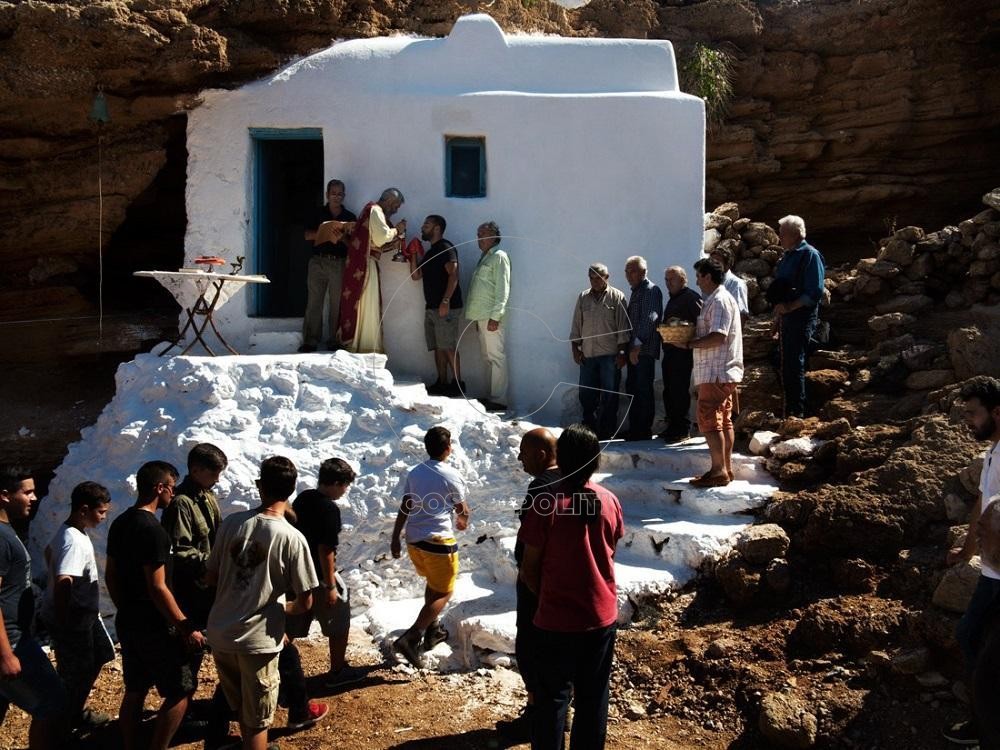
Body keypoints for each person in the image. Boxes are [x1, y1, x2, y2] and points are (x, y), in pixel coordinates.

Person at [518, 424, 624, 750]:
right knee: (593, 696)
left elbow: (529, 567)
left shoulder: (545, 503)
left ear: (560, 458)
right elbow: (610, 551)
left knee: (551, 699)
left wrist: (545, 599)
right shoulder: (609, 500)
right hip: (600, 615)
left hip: (556, 619)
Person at [205, 456, 320, 750]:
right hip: (257, 641)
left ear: (259, 485)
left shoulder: (231, 523)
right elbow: (305, 600)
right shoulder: (292, 537)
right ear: (292, 490)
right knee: (257, 718)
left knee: (241, 706)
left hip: (221, 632)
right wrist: (281, 609)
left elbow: (211, 576)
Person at [105, 461, 207, 750]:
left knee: (135, 688)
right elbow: (158, 586)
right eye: (171, 488)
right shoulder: (154, 531)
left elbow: (111, 575)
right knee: (181, 690)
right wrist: (184, 625)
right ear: (160, 488)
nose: (173, 494)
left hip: (130, 620)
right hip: (156, 624)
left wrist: (125, 607)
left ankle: (130, 745)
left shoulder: (120, 523)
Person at [159, 442, 229, 743]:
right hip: (190, 594)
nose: (217, 479)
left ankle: (186, 710)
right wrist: (211, 564)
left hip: (207, 591)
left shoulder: (207, 497)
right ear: (197, 470)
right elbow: (180, 551)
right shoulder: (181, 504)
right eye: (213, 473)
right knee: (186, 660)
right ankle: (179, 717)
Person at [943, 376, 1000, 747]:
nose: (968, 422)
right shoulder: (993, 452)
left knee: (980, 643)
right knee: (973, 636)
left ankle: (986, 726)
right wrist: (967, 550)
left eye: (973, 414)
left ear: (997, 412)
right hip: (991, 571)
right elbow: (983, 500)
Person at [0, 466, 69, 749]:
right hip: (12, 641)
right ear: (5, 495)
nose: (34, 498)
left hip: (15, 637)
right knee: (53, 704)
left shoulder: (7, 531)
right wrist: (5, 654)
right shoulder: (0, 537)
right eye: (27, 492)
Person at [499, 428, 561, 741]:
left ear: (540, 454)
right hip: (560, 576)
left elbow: (532, 538)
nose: (519, 459)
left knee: (530, 649)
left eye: (523, 453)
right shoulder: (571, 479)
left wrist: (528, 578)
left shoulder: (541, 486)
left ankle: (536, 716)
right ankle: (553, 713)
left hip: (536, 579)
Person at [390, 427, 470, 667]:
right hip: (439, 542)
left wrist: (395, 537)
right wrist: (463, 520)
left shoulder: (415, 473)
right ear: (448, 448)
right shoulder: (451, 475)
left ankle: (432, 630)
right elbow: (462, 509)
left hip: (414, 540)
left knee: (434, 584)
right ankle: (411, 637)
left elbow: (406, 505)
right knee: (445, 592)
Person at [40, 481, 114, 732]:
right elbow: (64, 581)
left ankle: (74, 710)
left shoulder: (72, 532)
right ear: (84, 510)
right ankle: (64, 723)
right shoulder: (72, 540)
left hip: (84, 616)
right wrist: (65, 620)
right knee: (75, 674)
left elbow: (48, 552)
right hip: (72, 619)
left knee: (101, 654)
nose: (103, 517)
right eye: (100, 512)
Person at [290, 457, 366, 688]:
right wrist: (331, 585)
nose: (345, 491)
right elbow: (326, 550)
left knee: (289, 625)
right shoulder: (329, 508)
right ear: (335, 483)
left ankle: (276, 671)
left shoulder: (303, 498)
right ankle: (337, 671)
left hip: (296, 572)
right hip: (319, 574)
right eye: (344, 485)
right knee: (340, 621)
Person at [680, 258, 742, 488]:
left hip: (716, 370)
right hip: (721, 371)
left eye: (699, 276)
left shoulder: (718, 300)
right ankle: (725, 468)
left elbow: (718, 336)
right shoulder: (718, 299)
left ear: (708, 276)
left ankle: (718, 471)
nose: (697, 281)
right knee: (723, 420)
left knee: (708, 418)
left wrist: (689, 343)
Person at [338, 187, 407, 354]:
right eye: (396, 206)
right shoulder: (375, 210)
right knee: (368, 305)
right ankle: (366, 347)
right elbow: (381, 238)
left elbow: (375, 243)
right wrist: (397, 230)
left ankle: (360, 344)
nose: (396, 210)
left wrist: (395, 241)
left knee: (363, 305)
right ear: (389, 201)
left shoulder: (369, 210)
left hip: (362, 263)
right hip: (366, 267)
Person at [771, 215, 825, 417]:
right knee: (783, 362)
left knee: (794, 363)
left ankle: (797, 412)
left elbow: (814, 291)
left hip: (801, 317)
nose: (779, 237)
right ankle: (789, 409)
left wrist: (790, 307)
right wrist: (778, 317)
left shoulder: (810, 255)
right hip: (786, 318)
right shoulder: (787, 257)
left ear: (795, 234)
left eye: (782, 234)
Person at [569, 263, 630, 440]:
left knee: (610, 395)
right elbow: (576, 325)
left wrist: (622, 353)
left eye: (599, 277)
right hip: (588, 355)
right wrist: (575, 349)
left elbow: (623, 328)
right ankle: (588, 431)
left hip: (610, 356)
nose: (595, 281)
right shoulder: (583, 297)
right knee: (586, 394)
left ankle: (607, 431)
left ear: (607, 277)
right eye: (592, 278)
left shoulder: (617, 297)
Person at [408, 214, 465, 397]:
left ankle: (457, 385)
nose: (422, 227)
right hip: (431, 307)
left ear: (437, 228)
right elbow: (416, 276)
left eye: (427, 225)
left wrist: (445, 301)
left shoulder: (445, 248)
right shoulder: (430, 252)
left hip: (446, 307)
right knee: (438, 346)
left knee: (448, 345)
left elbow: (454, 274)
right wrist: (413, 253)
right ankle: (442, 382)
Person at [300, 179, 358, 352]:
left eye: (340, 194)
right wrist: (325, 232)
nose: (336, 197)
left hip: (338, 263)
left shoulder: (350, 217)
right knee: (314, 301)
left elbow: (354, 245)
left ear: (344, 196)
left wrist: (342, 237)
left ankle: (334, 340)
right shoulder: (317, 213)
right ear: (327, 195)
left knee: (337, 303)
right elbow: (306, 235)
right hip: (317, 261)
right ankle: (310, 340)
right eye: (333, 193)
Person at [465, 221, 511, 412]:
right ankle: (492, 396)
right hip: (482, 316)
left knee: (496, 356)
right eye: (478, 234)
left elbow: (503, 289)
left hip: (492, 317)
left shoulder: (499, 256)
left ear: (493, 236)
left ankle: (499, 399)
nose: (479, 238)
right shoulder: (485, 257)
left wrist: (495, 316)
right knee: (488, 356)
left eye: (482, 234)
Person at [659, 266, 702, 443]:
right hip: (670, 351)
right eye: (666, 280)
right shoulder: (673, 298)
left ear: (683, 280)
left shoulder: (691, 297)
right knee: (669, 390)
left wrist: (687, 337)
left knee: (679, 391)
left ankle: (682, 429)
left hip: (683, 353)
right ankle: (672, 426)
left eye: (672, 279)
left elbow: (701, 322)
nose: (668, 283)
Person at [622, 256, 662, 441]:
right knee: (633, 388)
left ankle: (643, 430)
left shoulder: (651, 290)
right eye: (627, 271)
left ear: (644, 272)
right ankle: (635, 428)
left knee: (643, 389)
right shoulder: (636, 292)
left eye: (633, 271)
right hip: (634, 350)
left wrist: (638, 344)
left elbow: (651, 317)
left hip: (643, 351)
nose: (629, 275)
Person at [709, 245, 749, 321]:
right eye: (711, 261)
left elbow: (741, 315)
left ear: (727, 265)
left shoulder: (737, 284)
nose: (712, 265)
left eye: (717, 262)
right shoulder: (708, 282)